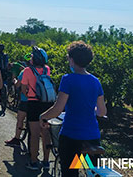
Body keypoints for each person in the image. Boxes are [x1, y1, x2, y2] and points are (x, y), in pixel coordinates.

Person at [40, 41, 107, 177]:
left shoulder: (68, 80)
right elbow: (102, 112)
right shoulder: (95, 81)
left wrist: (43, 117)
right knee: (92, 171)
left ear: (72, 59)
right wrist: (89, 109)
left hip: (72, 137)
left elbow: (58, 109)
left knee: (70, 172)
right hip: (92, 137)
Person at [21, 47, 52, 171]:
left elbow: (24, 89)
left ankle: (34, 161)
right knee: (45, 133)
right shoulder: (47, 69)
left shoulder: (28, 70)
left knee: (34, 134)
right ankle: (46, 161)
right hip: (46, 104)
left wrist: (28, 92)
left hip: (33, 103)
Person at [5, 53, 32, 147]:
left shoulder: (25, 71)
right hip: (39, 101)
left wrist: (15, 81)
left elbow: (17, 85)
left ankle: (16, 138)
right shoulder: (45, 70)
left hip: (26, 100)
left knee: (20, 119)